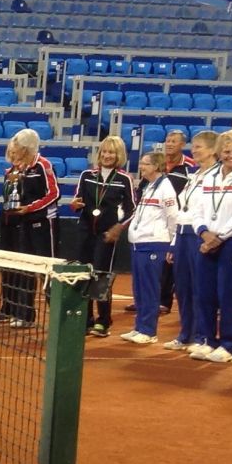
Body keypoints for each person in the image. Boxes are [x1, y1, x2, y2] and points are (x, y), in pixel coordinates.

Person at [189, 129, 232, 365]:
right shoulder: (209, 177)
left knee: (227, 295)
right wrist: (204, 233)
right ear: (219, 152)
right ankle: (207, 340)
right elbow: (196, 209)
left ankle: (230, 345)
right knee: (205, 294)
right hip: (207, 240)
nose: (231, 155)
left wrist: (219, 237)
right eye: (227, 151)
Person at [68, 135, 136, 337]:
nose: (107, 155)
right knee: (83, 274)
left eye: (111, 152)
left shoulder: (124, 179)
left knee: (101, 275)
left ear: (119, 155)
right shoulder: (87, 175)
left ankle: (103, 320)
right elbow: (77, 199)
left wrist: (118, 228)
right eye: (104, 151)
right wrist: (75, 205)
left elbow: (132, 209)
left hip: (107, 234)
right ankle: (85, 318)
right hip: (85, 230)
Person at [0, 128, 59, 329]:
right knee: (26, 269)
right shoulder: (20, 169)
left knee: (47, 271)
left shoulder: (43, 165)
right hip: (24, 224)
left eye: (19, 147)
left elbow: (53, 194)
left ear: (27, 148)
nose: (15, 151)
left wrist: (30, 208)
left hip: (44, 225)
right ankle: (25, 315)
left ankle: (58, 317)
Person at [165, 131, 219, 353]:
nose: (193, 151)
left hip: (201, 234)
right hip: (183, 234)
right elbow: (181, 210)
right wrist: (174, 242)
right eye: (194, 147)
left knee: (201, 288)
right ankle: (185, 334)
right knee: (184, 288)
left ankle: (202, 335)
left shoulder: (217, 176)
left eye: (199, 147)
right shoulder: (194, 176)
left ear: (213, 150)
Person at [120, 149, 177, 345]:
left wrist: (172, 244)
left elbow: (173, 218)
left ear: (156, 166)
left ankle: (149, 330)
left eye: (145, 163)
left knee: (150, 289)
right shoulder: (149, 186)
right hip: (139, 243)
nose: (141, 166)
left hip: (154, 244)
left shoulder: (165, 188)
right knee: (140, 289)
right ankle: (139, 327)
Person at [158, 130, 193, 314]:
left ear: (182, 145)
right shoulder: (159, 163)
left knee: (170, 261)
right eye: (167, 140)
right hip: (156, 218)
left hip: (177, 219)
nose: (169, 144)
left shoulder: (190, 167)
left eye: (174, 141)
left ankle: (164, 301)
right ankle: (150, 299)